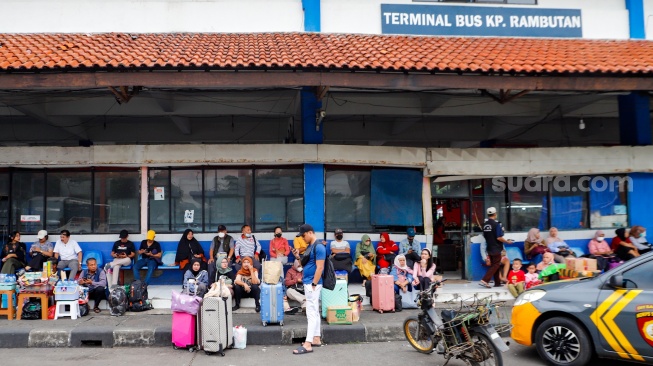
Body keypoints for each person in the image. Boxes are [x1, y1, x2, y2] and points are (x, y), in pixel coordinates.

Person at [293, 223, 325, 355]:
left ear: (310, 233)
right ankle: (316, 338)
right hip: (309, 282)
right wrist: (297, 257)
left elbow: (320, 267)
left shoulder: (319, 247)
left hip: (312, 283)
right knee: (314, 311)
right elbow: (305, 264)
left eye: (304, 235)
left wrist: (314, 283)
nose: (302, 238)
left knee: (310, 312)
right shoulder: (310, 247)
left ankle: (308, 344)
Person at [480, 207, 513, 288]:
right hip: (496, 248)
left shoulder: (485, 225)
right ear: (495, 214)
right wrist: (506, 241)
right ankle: (485, 280)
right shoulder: (497, 224)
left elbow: (486, 236)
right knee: (496, 265)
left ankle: (497, 282)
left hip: (489, 248)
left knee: (495, 264)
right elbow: (499, 237)